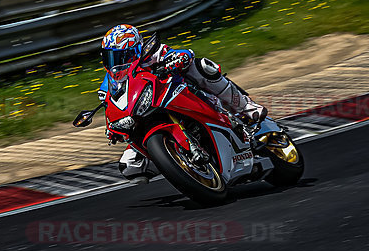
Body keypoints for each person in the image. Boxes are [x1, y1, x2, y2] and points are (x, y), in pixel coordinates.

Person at [98, 24, 267, 184]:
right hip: (147, 113)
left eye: (121, 56)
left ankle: (246, 106)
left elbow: (185, 53)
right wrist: (112, 128)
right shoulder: (110, 82)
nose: (116, 62)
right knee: (129, 166)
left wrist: (179, 59)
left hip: (179, 93)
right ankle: (181, 166)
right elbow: (110, 105)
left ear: (135, 50)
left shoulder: (151, 52)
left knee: (203, 66)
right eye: (111, 57)